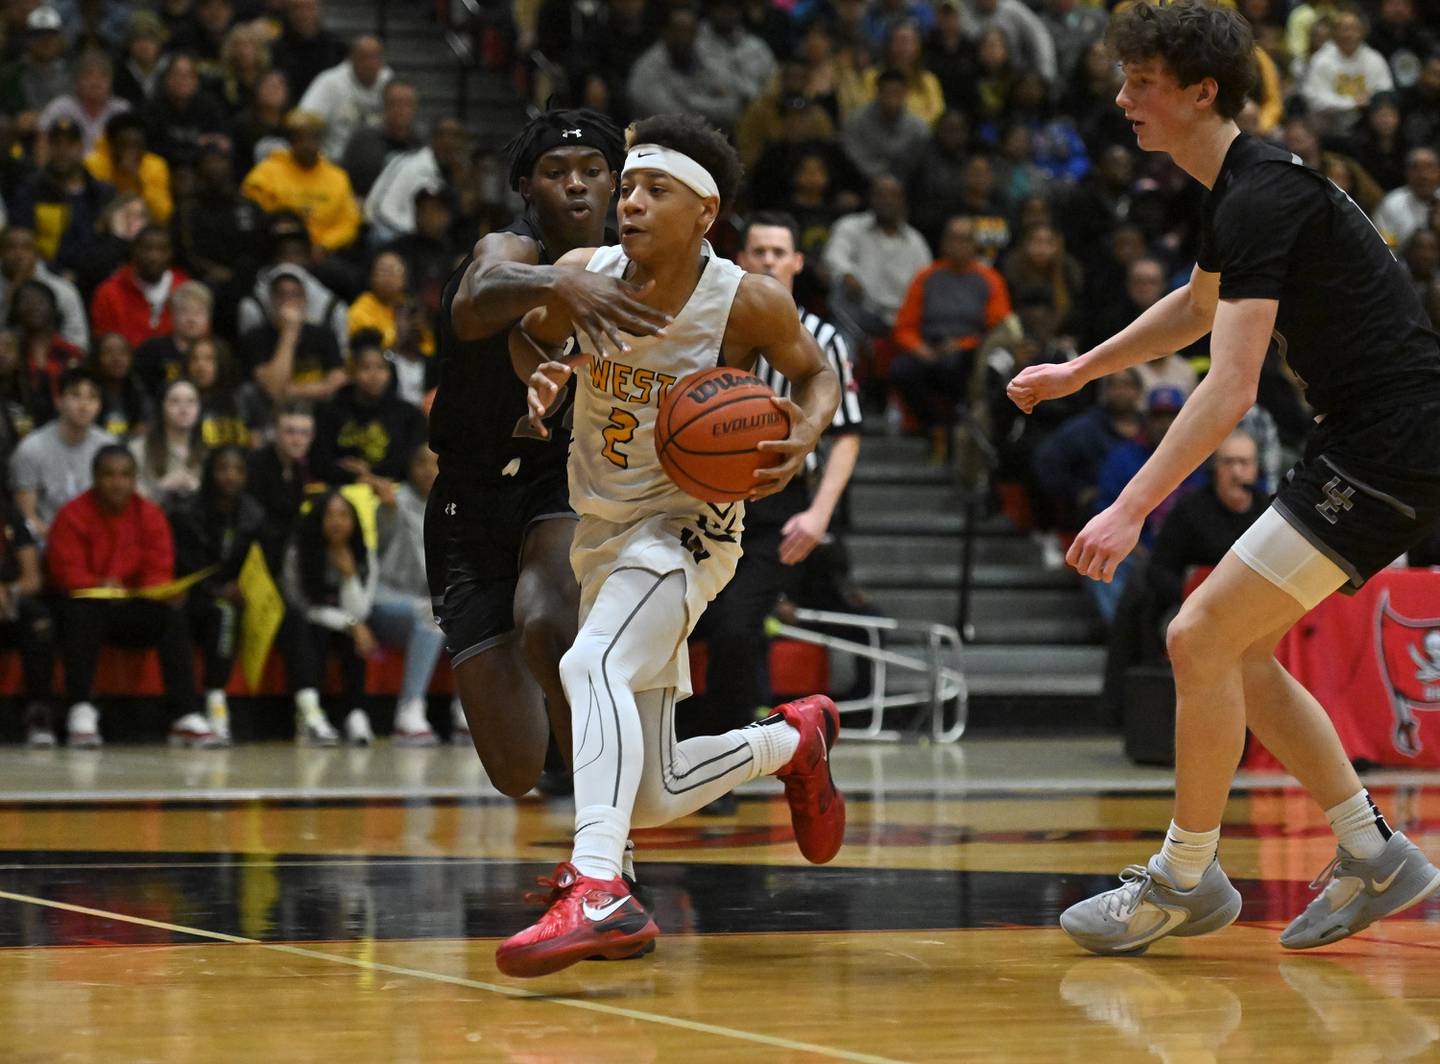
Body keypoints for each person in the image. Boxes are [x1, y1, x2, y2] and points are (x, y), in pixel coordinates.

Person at [1007, 0, 1440, 957]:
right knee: (1237, 652)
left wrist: (1128, 508)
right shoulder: (1244, 187)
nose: (1122, 99)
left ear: (1202, 91)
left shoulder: (1261, 194)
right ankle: (1372, 852)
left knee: (1197, 635)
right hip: (1380, 440)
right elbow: (1199, 308)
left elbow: (1232, 386)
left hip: (1388, 445)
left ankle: (1183, 878)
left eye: (1143, 84)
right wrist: (1084, 371)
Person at [497, 112, 843, 977]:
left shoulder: (746, 299)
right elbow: (529, 338)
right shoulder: (583, 274)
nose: (631, 204)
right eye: (629, 189)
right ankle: (792, 743)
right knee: (650, 791)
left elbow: (817, 371)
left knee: (589, 667)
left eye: (657, 191)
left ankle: (599, 887)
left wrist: (805, 433)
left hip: (688, 529)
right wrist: (539, 372)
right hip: (603, 530)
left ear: (706, 211)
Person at [431, 108, 664, 799]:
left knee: (549, 616)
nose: (577, 187)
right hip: (466, 497)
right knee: (516, 770)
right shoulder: (510, 251)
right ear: (527, 189)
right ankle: (611, 755)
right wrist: (561, 285)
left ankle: (603, 839)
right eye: (557, 173)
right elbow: (476, 301)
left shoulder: (639, 268)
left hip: (556, 479)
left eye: (594, 172)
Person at [692, 210, 864, 811]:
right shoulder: (709, 324)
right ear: (742, 259)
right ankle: (694, 756)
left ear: (796, 263)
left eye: (778, 252)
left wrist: (818, 515)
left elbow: (845, 434)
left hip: (776, 504)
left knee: (738, 627)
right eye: (758, 251)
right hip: (701, 496)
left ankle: (722, 768)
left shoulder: (825, 337)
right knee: (691, 626)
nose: (767, 261)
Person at [47, 444, 217, 747]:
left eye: (125, 475)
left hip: (133, 605)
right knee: (79, 610)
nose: (117, 482)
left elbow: (158, 568)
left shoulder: (150, 515)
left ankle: (185, 715)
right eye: (109, 475)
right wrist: (99, 584)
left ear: (134, 478)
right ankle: (81, 710)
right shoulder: (72, 515)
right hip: (88, 606)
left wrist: (156, 591)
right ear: (95, 477)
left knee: (172, 613)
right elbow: (64, 571)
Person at [168, 444, 265, 744]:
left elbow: (258, 563)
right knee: (217, 610)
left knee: (226, 612)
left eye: (237, 470)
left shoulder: (253, 515)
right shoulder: (186, 513)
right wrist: (216, 589)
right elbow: (182, 565)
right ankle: (194, 708)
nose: (230, 477)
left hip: (231, 596)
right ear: (210, 472)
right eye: (223, 469)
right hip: (191, 593)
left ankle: (216, 697)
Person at [280, 488, 377, 745]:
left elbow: (360, 611)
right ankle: (310, 713)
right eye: (330, 515)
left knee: (357, 638)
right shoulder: (298, 551)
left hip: (343, 627)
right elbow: (301, 605)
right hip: (307, 624)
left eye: (344, 515)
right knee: (304, 627)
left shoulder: (364, 554)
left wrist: (348, 575)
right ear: (318, 520)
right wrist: (350, 624)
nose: (337, 522)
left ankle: (355, 714)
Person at [371, 444, 447, 745]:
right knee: (433, 616)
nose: (428, 470)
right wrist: (387, 511)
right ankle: (409, 710)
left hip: (429, 605)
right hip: (387, 601)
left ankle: (466, 712)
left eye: (435, 463)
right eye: (420, 463)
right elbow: (380, 539)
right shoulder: (394, 501)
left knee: (473, 616)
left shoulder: (450, 504)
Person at [8, 368, 113, 541]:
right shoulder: (31, 449)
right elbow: (27, 516)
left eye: (92, 397)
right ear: (59, 401)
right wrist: (62, 543)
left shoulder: (108, 447)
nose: (84, 405)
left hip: (99, 540)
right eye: (75, 396)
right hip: (47, 540)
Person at [0, 496, 55, 746]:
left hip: (9, 602)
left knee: (38, 619)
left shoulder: (9, 515)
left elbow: (33, 580)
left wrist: (9, 592)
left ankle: (38, 712)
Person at [90, 226, 191, 350]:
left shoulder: (186, 290)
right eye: (147, 249)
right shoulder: (109, 293)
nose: (153, 257)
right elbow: (103, 344)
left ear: (171, 253)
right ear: (134, 251)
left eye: (161, 250)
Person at [129, 378, 205, 505]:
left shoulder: (207, 452)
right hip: (152, 520)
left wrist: (199, 491)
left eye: (191, 402)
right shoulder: (138, 448)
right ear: (161, 407)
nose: (184, 408)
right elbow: (129, 499)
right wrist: (161, 489)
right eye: (175, 401)